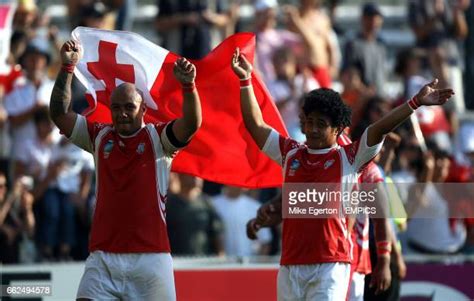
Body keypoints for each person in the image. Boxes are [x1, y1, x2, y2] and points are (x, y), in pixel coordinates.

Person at [231, 47, 453, 300]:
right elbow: (255, 125)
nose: (312, 130)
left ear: (338, 129)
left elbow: (378, 129)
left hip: (332, 264)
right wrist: (245, 80)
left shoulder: (349, 158)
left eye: (321, 124)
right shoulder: (290, 153)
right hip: (290, 264)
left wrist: (414, 103)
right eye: (309, 122)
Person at [50, 40, 202, 300]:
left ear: (143, 109)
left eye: (129, 107)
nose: (121, 114)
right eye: (116, 108)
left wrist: (188, 86)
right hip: (103, 258)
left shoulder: (158, 140)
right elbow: (59, 113)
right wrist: (67, 67)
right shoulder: (99, 137)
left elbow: (190, 123)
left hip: (151, 260)